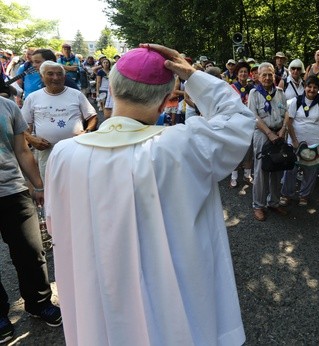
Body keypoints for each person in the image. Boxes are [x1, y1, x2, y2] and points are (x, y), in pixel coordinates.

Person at [45, 44, 254, 345]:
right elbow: (237, 119)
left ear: (113, 91)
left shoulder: (63, 155)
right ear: (167, 102)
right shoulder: (181, 146)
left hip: (97, 299)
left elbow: (55, 224)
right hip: (172, 304)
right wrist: (192, 75)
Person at [0, 95, 62, 344]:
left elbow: (22, 149)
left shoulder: (7, 105)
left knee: (32, 251)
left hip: (13, 190)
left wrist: (38, 185)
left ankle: (39, 303)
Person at [22, 61, 97, 183]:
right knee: (50, 186)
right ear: (42, 77)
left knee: (77, 184)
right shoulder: (33, 98)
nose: (55, 78)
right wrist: (31, 139)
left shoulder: (76, 94)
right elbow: (23, 125)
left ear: (64, 76)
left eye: (59, 74)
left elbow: (92, 116)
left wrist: (87, 132)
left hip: (75, 151)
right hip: (47, 153)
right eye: (50, 74)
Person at [281, 75, 319, 207]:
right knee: (291, 169)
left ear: (318, 89)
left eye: (315, 87)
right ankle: (286, 194)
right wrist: (295, 141)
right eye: (309, 86)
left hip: (313, 143)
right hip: (295, 142)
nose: (312, 90)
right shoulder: (295, 101)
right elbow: (288, 122)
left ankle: (304, 195)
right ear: (305, 87)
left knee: (310, 170)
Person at [249, 62, 289, 221]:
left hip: (279, 134)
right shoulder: (254, 93)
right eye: (264, 74)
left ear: (274, 76)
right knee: (261, 170)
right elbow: (253, 116)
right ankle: (258, 205)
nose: (267, 77)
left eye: (270, 74)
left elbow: (286, 113)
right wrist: (269, 133)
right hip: (262, 134)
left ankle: (274, 201)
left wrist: (283, 130)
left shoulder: (280, 93)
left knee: (278, 168)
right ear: (258, 76)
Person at [230, 61, 254, 187]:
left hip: (249, 122)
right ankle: (233, 176)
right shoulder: (232, 88)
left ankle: (247, 174)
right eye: (241, 72)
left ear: (248, 73)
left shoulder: (253, 88)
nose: (243, 74)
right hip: (236, 121)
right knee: (235, 149)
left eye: (245, 71)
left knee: (249, 149)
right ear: (237, 74)